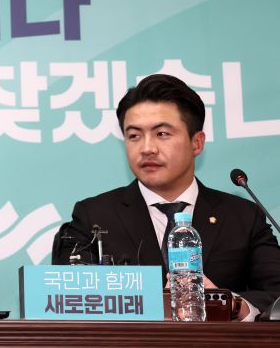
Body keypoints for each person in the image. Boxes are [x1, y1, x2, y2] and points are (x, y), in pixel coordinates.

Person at [52, 74, 280, 321]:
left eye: (161, 134)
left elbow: (276, 293)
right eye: (134, 136)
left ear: (197, 143)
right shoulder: (94, 217)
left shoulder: (243, 216)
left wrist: (231, 304)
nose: (147, 148)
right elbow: (68, 299)